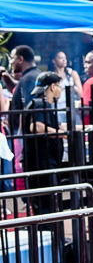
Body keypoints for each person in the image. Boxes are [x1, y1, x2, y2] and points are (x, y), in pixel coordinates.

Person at [22, 72, 67, 213]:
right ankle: (49, 233)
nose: (61, 90)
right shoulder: (41, 103)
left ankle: (51, 232)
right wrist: (61, 134)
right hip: (41, 162)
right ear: (53, 87)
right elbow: (36, 127)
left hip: (43, 161)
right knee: (46, 204)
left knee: (48, 202)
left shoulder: (38, 104)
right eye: (60, 86)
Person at [9, 45, 39, 115]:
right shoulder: (35, 75)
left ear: (20, 59)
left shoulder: (29, 78)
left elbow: (28, 108)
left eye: (12, 58)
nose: (11, 62)